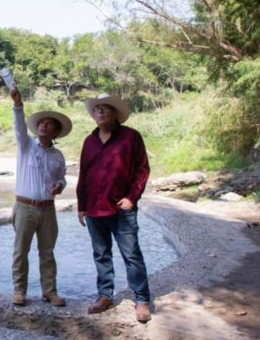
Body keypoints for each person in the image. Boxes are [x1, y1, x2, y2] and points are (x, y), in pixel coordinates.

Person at [76, 93, 152, 323]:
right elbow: (84, 174)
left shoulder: (131, 137)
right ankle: (105, 296)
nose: (99, 112)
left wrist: (131, 198)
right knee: (101, 254)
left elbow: (142, 169)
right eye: (96, 109)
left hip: (122, 209)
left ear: (116, 114)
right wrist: (81, 205)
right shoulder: (89, 141)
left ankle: (142, 300)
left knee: (132, 255)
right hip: (94, 208)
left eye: (105, 108)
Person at [9, 86, 72, 307]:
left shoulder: (57, 155)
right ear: (36, 128)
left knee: (47, 252)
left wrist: (60, 185)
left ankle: (49, 291)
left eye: (49, 124)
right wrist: (18, 105)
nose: (44, 125)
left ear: (56, 132)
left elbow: (62, 178)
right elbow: (18, 126)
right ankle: (19, 291)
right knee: (21, 251)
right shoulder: (25, 146)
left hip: (48, 208)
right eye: (42, 123)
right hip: (25, 207)